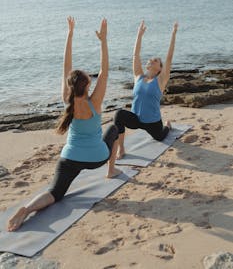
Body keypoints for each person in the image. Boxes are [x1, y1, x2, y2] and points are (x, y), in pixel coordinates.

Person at [7, 17, 121, 232]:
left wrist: (70, 35)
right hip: (96, 158)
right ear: (87, 84)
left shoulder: (66, 98)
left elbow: (65, 67)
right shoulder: (95, 102)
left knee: (55, 193)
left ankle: (27, 208)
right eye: (89, 77)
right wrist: (103, 42)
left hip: (69, 157)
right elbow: (105, 71)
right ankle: (111, 170)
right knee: (114, 128)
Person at [114, 20, 178, 159]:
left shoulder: (161, 80)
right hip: (136, 119)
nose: (151, 60)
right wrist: (139, 35)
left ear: (160, 68)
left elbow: (169, 57)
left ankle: (167, 126)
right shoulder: (138, 76)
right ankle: (121, 149)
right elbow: (135, 55)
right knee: (118, 115)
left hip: (152, 122)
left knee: (160, 137)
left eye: (155, 60)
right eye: (150, 59)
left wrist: (173, 34)